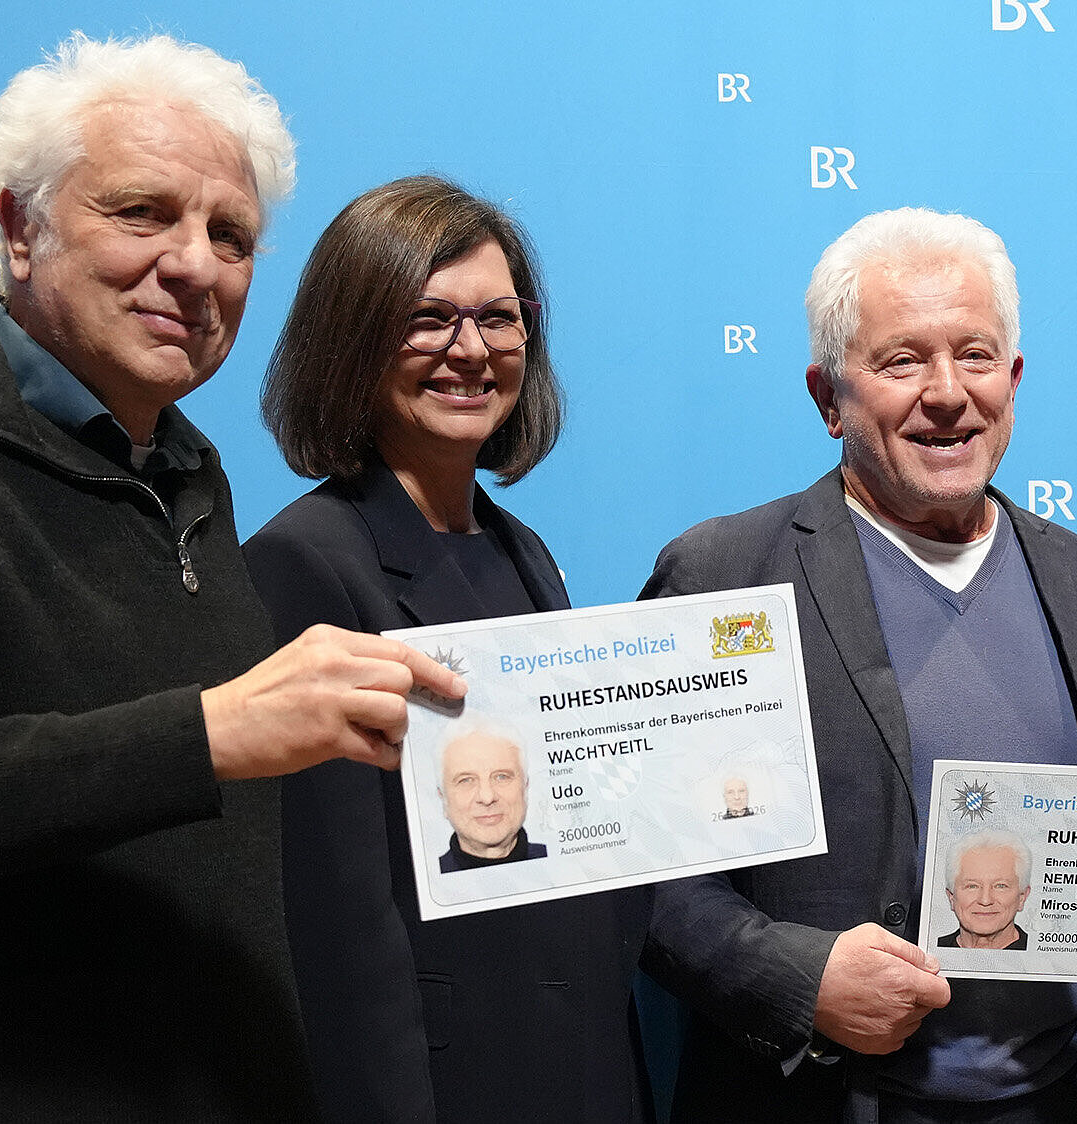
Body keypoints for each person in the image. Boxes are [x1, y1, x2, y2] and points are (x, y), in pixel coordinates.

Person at [0, 34, 462, 1120]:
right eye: (141, 212)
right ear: (19, 227)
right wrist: (203, 734)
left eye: (231, 235)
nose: (196, 265)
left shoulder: (190, 473)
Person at [640, 208, 1077, 1123]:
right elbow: (644, 879)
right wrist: (801, 980)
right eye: (902, 361)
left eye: (975, 355)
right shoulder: (725, 575)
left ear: (1013, 382)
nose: (947, 393)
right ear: (828, 396)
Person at [244, 175, 652, 1123]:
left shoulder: (522, 552)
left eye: (498, 320)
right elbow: (335, 927)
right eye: (429, 320)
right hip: (442, 1082)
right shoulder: (304, 565)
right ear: (352, 338)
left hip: (578, 1066)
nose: (471, 351)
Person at [436, 725, 546, 870]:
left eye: (501, 777)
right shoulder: (425, 877)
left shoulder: (565, 864)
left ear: (525, 787)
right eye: (466, 780)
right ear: (443, 797)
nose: (487, 798)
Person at [937, 834, 1032, 950]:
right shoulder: (929, 950)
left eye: (1000, 886)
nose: (985, 900)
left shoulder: (1044, 956)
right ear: (951, 897)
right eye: (972, 886)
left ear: (1022, 897)